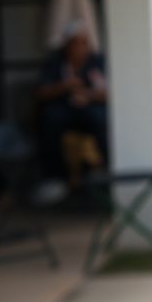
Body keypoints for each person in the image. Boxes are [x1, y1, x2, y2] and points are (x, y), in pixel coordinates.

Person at [36, 20, 108, 182]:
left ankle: (104, 169)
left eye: (84, 43)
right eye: (75, 43)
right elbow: (41, 92)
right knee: (50, 119)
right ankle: (57, 176)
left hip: (92, 108)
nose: (80, 48)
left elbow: (110, 94)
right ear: (66, 45)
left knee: (101, 119)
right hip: (64, 108)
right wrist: (64, 86)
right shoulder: (55, 63)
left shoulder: (97, 61)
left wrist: (88, 95)